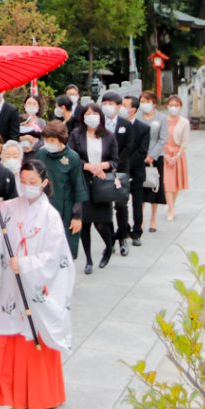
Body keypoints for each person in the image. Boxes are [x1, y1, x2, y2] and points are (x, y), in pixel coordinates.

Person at [0, 160, 74, 409]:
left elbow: (55, 256)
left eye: (32, 183)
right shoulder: (7, 207)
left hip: (33, 285)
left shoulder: (50, 216)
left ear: (44, 184)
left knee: (32, 332)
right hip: (8, 284)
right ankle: (5, 397)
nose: (26, 186)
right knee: (7, 334)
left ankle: (40, 394)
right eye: (23, 181)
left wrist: (26, 264)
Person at [67, 103, 119, 274]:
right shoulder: (76, 134)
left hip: (102, 183)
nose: (91, 116)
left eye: (94, 113)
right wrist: (89, 166)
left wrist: (103, 166)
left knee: (101, 223)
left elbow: (115, 161)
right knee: (86, 223)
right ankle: (88, 260)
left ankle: (109, 246)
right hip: (83, 181)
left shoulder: (109, 136)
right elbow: (72, 156)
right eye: (87, 113)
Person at [34, 121, 87, 260]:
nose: (48, 143)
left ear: (61, 140)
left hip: (65, 208)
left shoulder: (72, 157)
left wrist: (77, 217)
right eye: (46, 140)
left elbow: (79, 188)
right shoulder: (41, 154)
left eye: (52, 140)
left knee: (63, 254)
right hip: (43, 207)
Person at [99, 90, 139, 256]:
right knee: (104, 205)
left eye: (111, 104)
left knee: (121, 205)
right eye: (105, 104)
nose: (108, 107)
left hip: (121, 169)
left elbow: (128, 147)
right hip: (101, 169)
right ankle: (109, 240)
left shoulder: (125, 124)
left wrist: (115, 164)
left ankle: (123, 236)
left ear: (118, 106)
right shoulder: (98, 125)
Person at [120, 95, 151, 245]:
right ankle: (124, 229)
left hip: (136, 170)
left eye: (124, 105)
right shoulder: (117, 126)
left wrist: (127, 164)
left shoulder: (144, 128)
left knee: (137, 202)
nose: (121, 107)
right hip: (120, 170)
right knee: (121, 202)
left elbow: (142, 151)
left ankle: (137, 231)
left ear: (133, 109)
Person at [138, 90, 167, 232]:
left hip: (156, 157)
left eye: (147, 101)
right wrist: (140, 154)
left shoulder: (161, 118)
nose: (144, 104)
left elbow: (163, 139)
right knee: (140, 188)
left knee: (154, 186)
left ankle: (153, 219)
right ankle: (140, 219)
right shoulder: (137, 117)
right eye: (142, 102)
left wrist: (152, 155)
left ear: (153, 103)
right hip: (139, 156)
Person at [163, 95, 190, 220]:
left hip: (178, 155)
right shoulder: (162, 120)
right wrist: (165, 155)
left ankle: (171, 205)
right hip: (165, 154)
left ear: (180, 107)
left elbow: (184, 142)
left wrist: (177, 156)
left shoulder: (184, 122)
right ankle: (171, 209)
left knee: (176, 183)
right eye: (171, 105)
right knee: (167, 183)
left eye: (176, 105)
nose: (173, 108)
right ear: (167, 106)